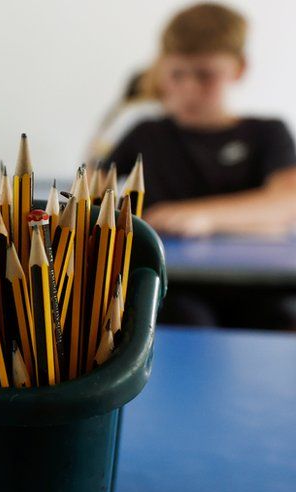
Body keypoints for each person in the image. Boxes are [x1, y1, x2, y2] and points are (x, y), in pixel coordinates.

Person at [103, 3, 296, 328]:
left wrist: (203, 216)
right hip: (170, 287)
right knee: (186, 319)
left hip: (256, 288)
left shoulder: (268, 133)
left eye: (206, 75)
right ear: (161, 70)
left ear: (238, 68)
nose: (189, 88)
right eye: (177, 74)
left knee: (282, 322)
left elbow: (286, 203)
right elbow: (93, 193)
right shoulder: (144, 134)